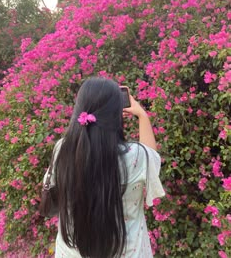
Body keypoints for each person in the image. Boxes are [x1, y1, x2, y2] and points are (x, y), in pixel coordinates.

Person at [45, 77, 165, 258]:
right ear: (115, 114)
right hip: (128, 252)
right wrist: (142, 115)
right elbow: (153, 159)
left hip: (70, 251)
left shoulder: (62, 148)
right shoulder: (136, 156)